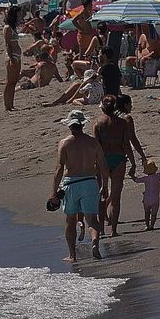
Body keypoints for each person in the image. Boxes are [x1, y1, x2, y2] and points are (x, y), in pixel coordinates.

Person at [46, 108, 108, 262]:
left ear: (70, 126)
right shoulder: (93, 142)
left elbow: (60, 167)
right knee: (92, 219)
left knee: (70, 220)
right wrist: (105, 185)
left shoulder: (65, 143)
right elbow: (103, 165)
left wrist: (53, 191)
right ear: (82, 125)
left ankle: (72, 255)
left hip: (72, 183)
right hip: (90, 182)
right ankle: (95, 245)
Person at [92, 99, 141, 237]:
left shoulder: (98, 123)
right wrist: (133, 163)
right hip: (119, 159)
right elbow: (126, 144)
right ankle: (113, 230)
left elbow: (96, 145)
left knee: (102, 196)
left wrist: (94, 163)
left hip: (103, 160)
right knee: (115, 197)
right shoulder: (122, 123)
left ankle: (101, 230)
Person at [132, 161, 160, 231]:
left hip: (147, 198)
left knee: (147, 213)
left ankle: (147, 225)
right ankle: (152, 225)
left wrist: (131, 175)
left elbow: (136, 180)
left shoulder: (145, 178)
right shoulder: (158, 176)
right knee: (154, 214)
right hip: (155, 199)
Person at [2, 7, 23, 112]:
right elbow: (7, 45)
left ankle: (11, 104)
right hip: (12, 56)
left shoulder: (13, 27)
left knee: (14, 82)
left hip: (16, 55)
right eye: (18, 15)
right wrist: (11, 58)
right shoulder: (7, 28)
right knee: (9, 82)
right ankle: (7, 105)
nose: (20, 17)